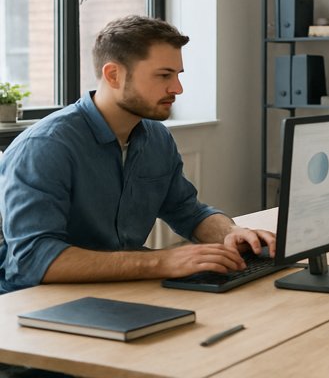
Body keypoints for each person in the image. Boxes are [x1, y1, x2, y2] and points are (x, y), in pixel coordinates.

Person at [0, 15, 274, 293]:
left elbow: (187, 211)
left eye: (178, 75)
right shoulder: (45, 147)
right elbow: (33, 259)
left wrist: (230, 234)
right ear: (113, 75)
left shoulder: (156, 137)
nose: (177, 88)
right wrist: (160, 261)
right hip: (37, 302)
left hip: (122, 288)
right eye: (164, 75)